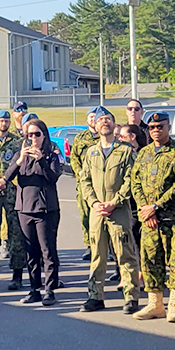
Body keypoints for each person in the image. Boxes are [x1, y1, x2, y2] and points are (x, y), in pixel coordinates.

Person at [80, 108, 147, 313]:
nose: (104, 122)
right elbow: (85, 180)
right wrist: (93, 203)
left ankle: (131, 297)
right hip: (97, 211)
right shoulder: (91, 152)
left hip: (118, 210)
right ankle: (95, 296)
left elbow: (130, 179)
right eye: (100, 120)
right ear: (96, 125)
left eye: (108, 119)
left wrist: (114, 202)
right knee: (97, 256)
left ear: (113, 124)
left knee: (125, 254)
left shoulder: (125, 151)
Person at [130, 111, 175, 323]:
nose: (156, 130)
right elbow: (135, 183)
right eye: (153, 127)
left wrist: (156, 206)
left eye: (161, 126)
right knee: (150, 260)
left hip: (172, 219)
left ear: (168, 127)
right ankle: (155, 303)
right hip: (149, 219)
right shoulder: (144, 153)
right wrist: (145, 209)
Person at [2, 116, 63, 305]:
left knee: (48, 251)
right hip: (25, 209)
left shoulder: (52, 155)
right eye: (30, 135)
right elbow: (8, 176)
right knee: (31, 251)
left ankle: (49, 290)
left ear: (44, 136)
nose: (34, 138)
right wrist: (20, 160)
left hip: (46, 210)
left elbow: (53, 177)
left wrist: (42, 160)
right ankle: (34, 289)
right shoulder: (21, 156)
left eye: (37, 134)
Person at [0, 108, 27, 286]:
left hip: (10, 188)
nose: (4, 123)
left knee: (12, 223)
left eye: (7, 121)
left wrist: (6, 180)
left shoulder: (15, 141)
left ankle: (10, 252)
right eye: (1, 121)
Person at [71, 107, 107, 262]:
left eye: (96, 117)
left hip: (103, 184)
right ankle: (89, 246)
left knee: (105, 216)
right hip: (85, 185)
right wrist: (80, 173)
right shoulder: (80, 138)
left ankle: (107, 246)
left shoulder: (105, 136)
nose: (93, 120)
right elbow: (74, 159)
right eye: (91, 117)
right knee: (86, 215)